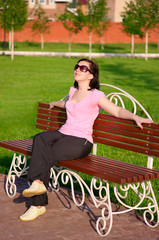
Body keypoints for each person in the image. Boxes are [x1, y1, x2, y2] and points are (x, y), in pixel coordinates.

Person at [19, 58, 153, 221]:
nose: (77, 69)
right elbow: (68, 104)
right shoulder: (73, 91)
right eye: (77, 67)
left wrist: (135, 116)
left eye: (82, 68)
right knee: (40, 138)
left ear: (91, 75)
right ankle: (38, 185)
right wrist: (55, 103)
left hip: (80, 141)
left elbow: (116, 111)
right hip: (64, 133)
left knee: (47, 153)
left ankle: (37, 204)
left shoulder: (96, 95)